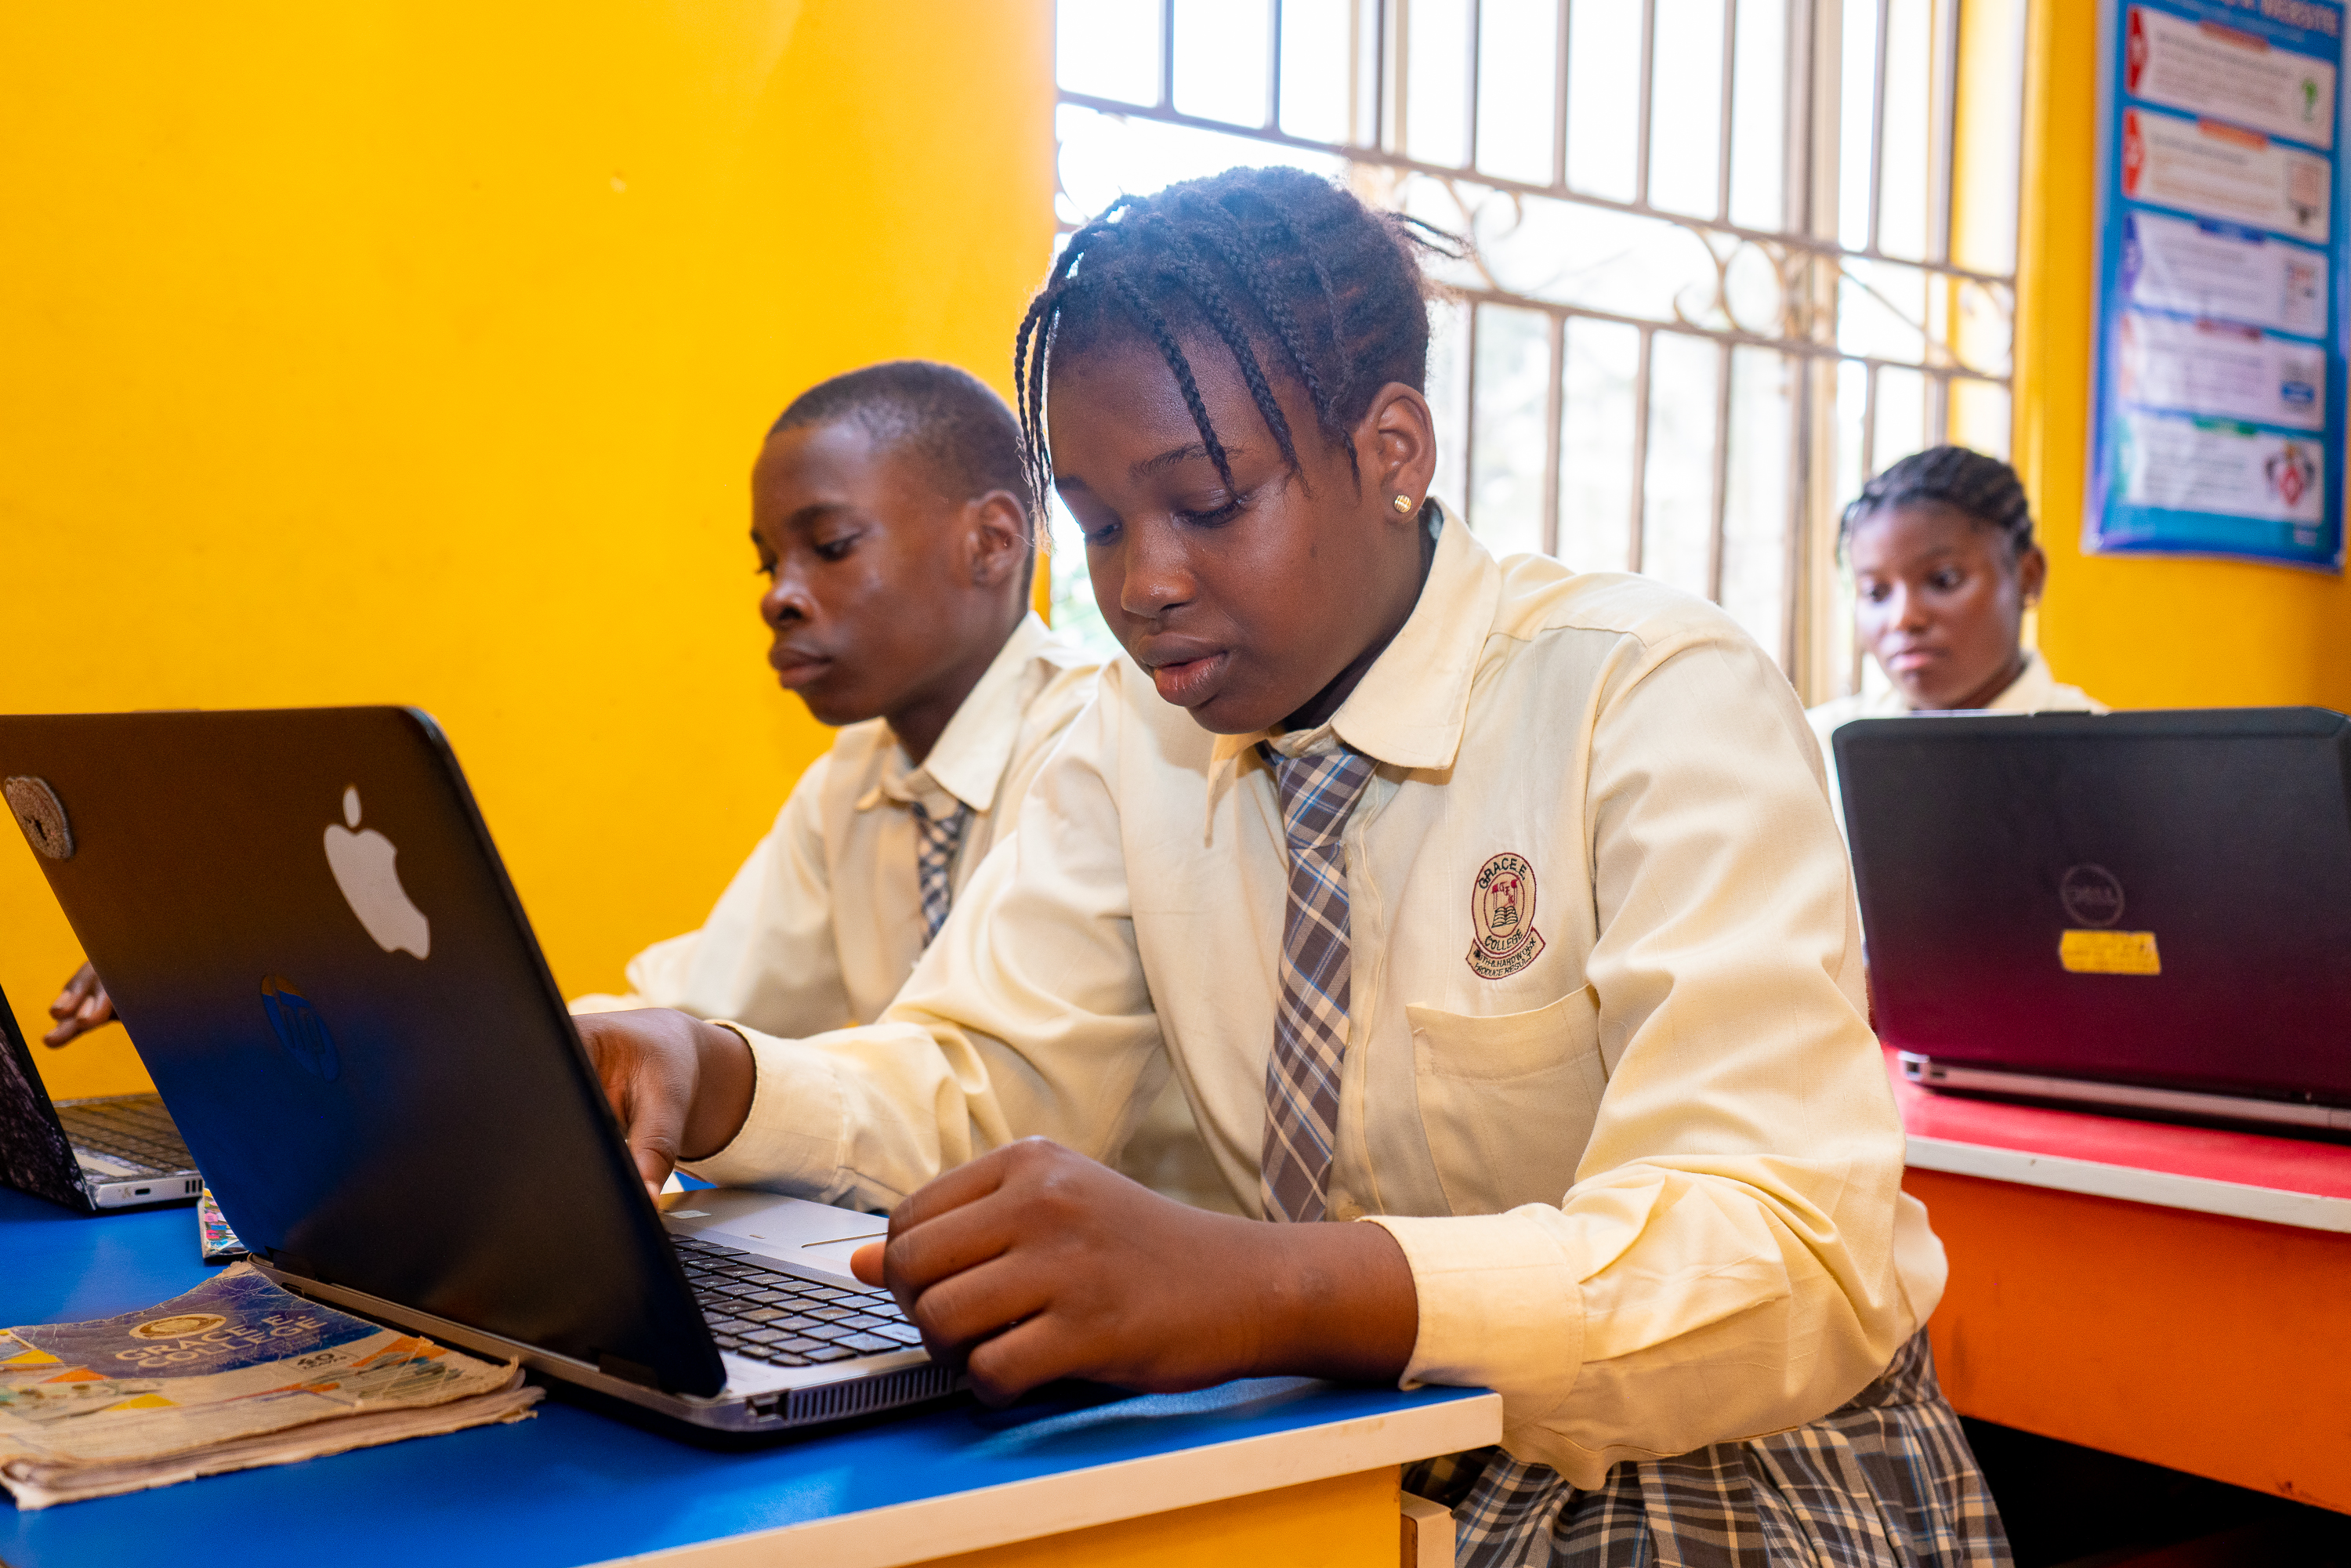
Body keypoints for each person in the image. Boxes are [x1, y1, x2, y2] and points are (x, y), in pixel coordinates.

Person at [574, 168, 2005, 1566]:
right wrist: (716, 1076)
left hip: (1702, 1463)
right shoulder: (1137, 733)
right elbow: (981, 1070)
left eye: (1206, 502)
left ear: (1393, 453)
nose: (1142, 584)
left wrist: (1269, 1287)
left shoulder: (1642, 697)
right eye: (1103, 525)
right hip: (1346, 1438)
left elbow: (1775, 1251)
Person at [1807, 446, 2104, 829]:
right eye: (1876, 593)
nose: (1904, 618)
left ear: (2029, 575)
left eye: (1943, 580)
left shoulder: (2108, 759)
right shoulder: (1813, 754)